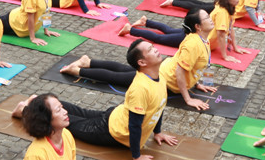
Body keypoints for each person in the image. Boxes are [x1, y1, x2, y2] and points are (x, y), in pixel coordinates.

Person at [11, 39, 179, 159]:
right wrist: (136, 157)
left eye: (152, 46)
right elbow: (134, 126)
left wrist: (158, 132)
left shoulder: (159, 78)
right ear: (142, 62)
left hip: (115, 116)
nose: (155, 49)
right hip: (112, 132)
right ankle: (26, 110)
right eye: (150, 49)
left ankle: (35, 102)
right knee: (71, 121)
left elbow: (159, 106)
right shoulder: (140, 88)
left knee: (77, 112)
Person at [68, 9, 219, 111]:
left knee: (124, 70)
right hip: (161, 77)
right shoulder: (193, 43)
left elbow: (192, 65)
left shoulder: (201, 39)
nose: (211, 19)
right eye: (207, 17)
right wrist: (188, 99)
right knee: (118, 77)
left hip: (163, 70)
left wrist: (195, 82)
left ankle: (88, 62)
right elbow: (180, 72)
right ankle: (78, 70)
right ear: (198, 26)